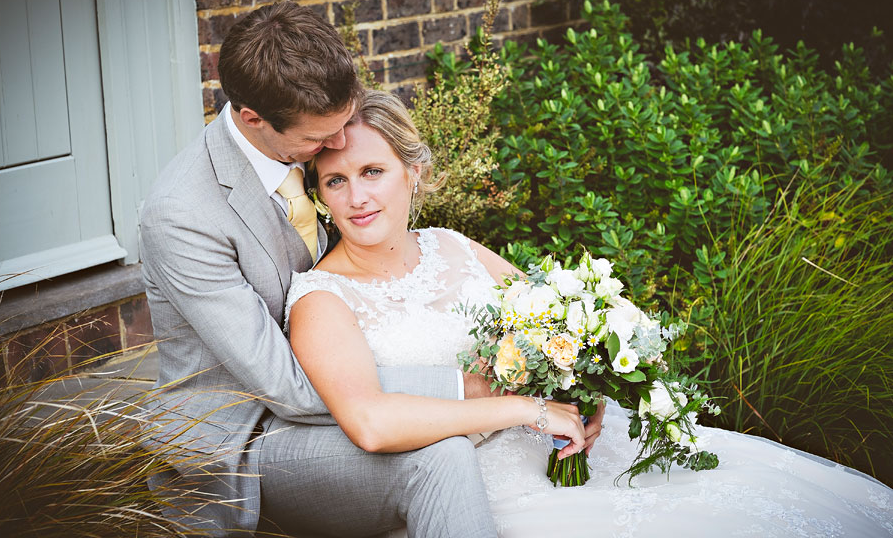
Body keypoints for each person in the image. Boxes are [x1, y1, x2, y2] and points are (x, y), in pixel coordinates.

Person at [285, 89, 893, 537]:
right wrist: (530, 407)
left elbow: (555, 333)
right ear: (319, 193)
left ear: (413, 172)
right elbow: (371, 423)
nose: (357, 196)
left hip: (561, 447)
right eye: (335, 181)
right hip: (467, 482)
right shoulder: (320, 298)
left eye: (372, 171)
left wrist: (588, 392)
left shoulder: (453, 246)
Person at [140, 1, 502, 537]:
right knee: (439, 452)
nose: (337, 146)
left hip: (344, 388)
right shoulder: (183, 215)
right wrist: (459, 385)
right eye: (319, 141)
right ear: (252, 119)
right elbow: (284, 386)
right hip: (253, 439)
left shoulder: (310, 147)